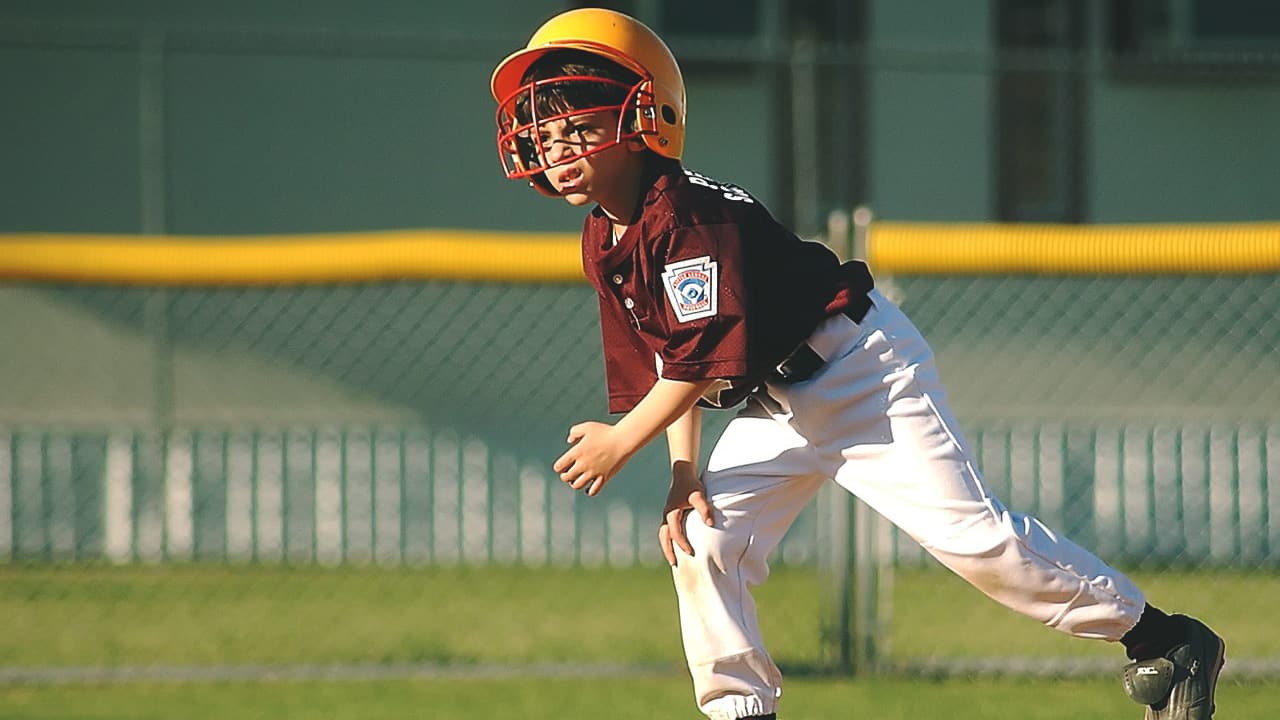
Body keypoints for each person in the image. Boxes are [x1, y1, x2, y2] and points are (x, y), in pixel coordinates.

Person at [489, 8, 1224, 720]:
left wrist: (625, 440)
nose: (556, 150)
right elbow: (668, 357)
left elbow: (700, 354)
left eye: (581, 127)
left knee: (973, 541)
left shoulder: (684, 216)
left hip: (861, 372)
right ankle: (740, 711)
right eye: (546, 133)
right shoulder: (604, 236)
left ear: (646, 121)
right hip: (774, 401)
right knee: (702, 540)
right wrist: (684, 474)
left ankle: (1163, 639)